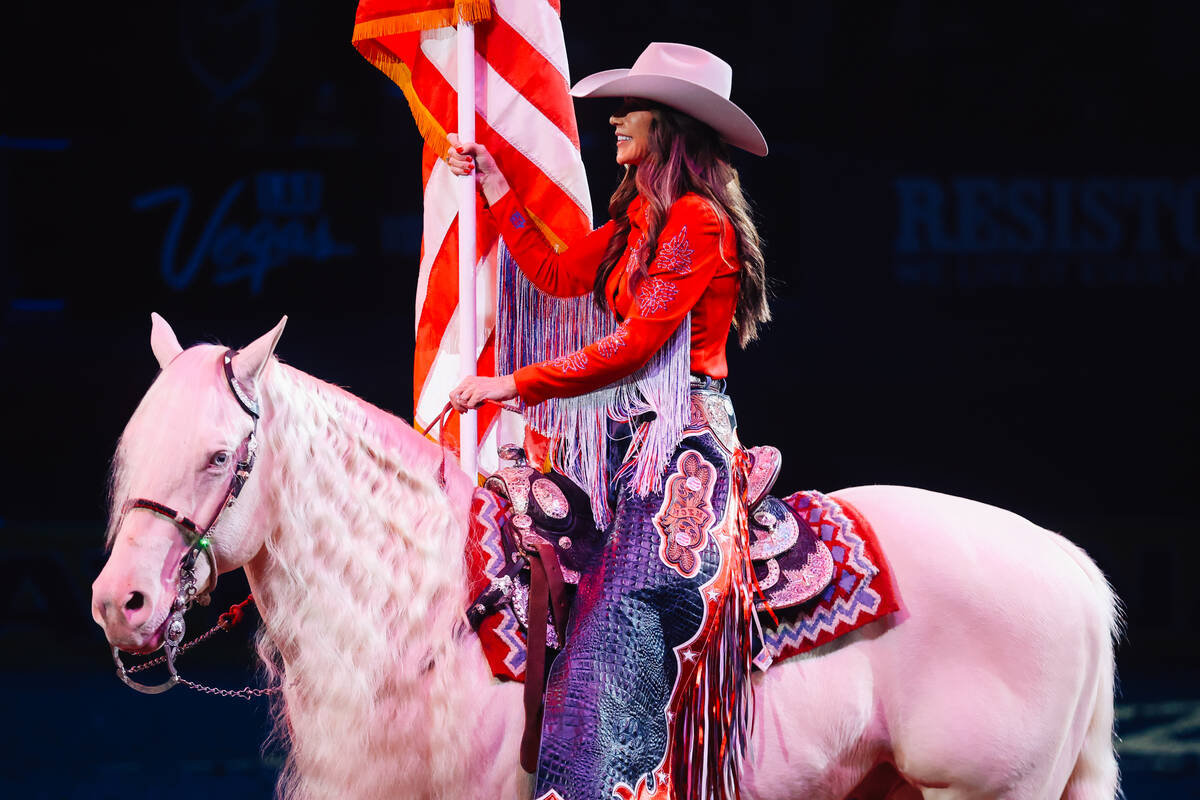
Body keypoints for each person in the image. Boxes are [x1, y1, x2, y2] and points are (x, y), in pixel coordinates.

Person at [447, 42, 769, 800]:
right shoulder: (636, 225)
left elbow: (635, 346)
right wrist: (497, 187)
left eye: (631, 109)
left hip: (682, 443)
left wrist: (511, 382)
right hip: (630, 442)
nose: (616, 119)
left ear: (669, 129)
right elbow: (559, 276)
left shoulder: (698, 222)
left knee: (620, 612)